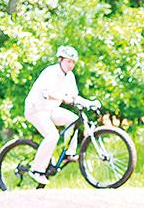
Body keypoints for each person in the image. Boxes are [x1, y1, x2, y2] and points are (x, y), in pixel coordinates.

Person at [24, 45, 100, 185]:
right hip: (36, 109)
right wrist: (63, 98)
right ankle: (36, 170)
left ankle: (69, 153)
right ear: (60, 60)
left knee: (73, 119)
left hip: (50, 110)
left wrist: (90, 103)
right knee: (52, 135)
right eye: (68, 61)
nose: (71, 65)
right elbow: (46, 93)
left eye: (73, 62)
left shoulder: (69, 76)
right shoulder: (50, 72)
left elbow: (74, 97)